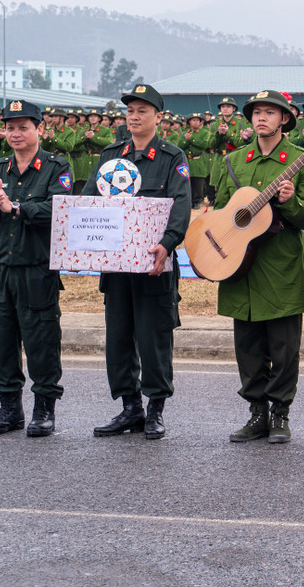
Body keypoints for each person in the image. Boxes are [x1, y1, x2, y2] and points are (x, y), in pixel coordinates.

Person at [212, 89, 304, 445]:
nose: (262, 118)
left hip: (280, 266)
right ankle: (256, 413)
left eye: (270, 113)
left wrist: (291, 203)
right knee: (247, 346)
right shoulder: (235, 160)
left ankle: (280, 414)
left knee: (283, 347)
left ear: (285, 119)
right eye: (257, 112)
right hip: (238, 267)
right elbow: (220, 212)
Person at [85, 85, 193, 441]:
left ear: (158, 117)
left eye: (142, 110)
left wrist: (167, 244)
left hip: (153, 266)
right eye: (130, 109)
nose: (134, 115)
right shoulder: (111, 156)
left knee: (154, 339)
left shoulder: (171, 156)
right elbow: (89, 202)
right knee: (118, 339)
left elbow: (180, 205)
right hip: (117, 268)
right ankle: (130, 407)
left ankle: (155, 409)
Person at [0, 101, 72, 437]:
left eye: (23, 127)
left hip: (36, 267)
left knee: (41, 340)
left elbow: (59, 209)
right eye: (10, 127)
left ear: (39, 129)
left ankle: (44, 409)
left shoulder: (56, 167)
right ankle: (9, 409)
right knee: (2, 340)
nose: (16, 134)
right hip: (2, 267)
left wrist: (15, 206)